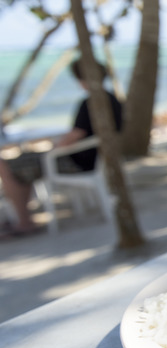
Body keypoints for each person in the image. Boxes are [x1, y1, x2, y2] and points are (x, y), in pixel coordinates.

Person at [0, 58, 122, 237]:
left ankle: (24, 222)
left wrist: (54, 148)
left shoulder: (91, 102)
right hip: (93, 158)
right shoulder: (113, 100)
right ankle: (23, 218)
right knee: (22, 165)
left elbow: (74, 136)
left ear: (83, 79)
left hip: (77, 162)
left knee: (6, 165)